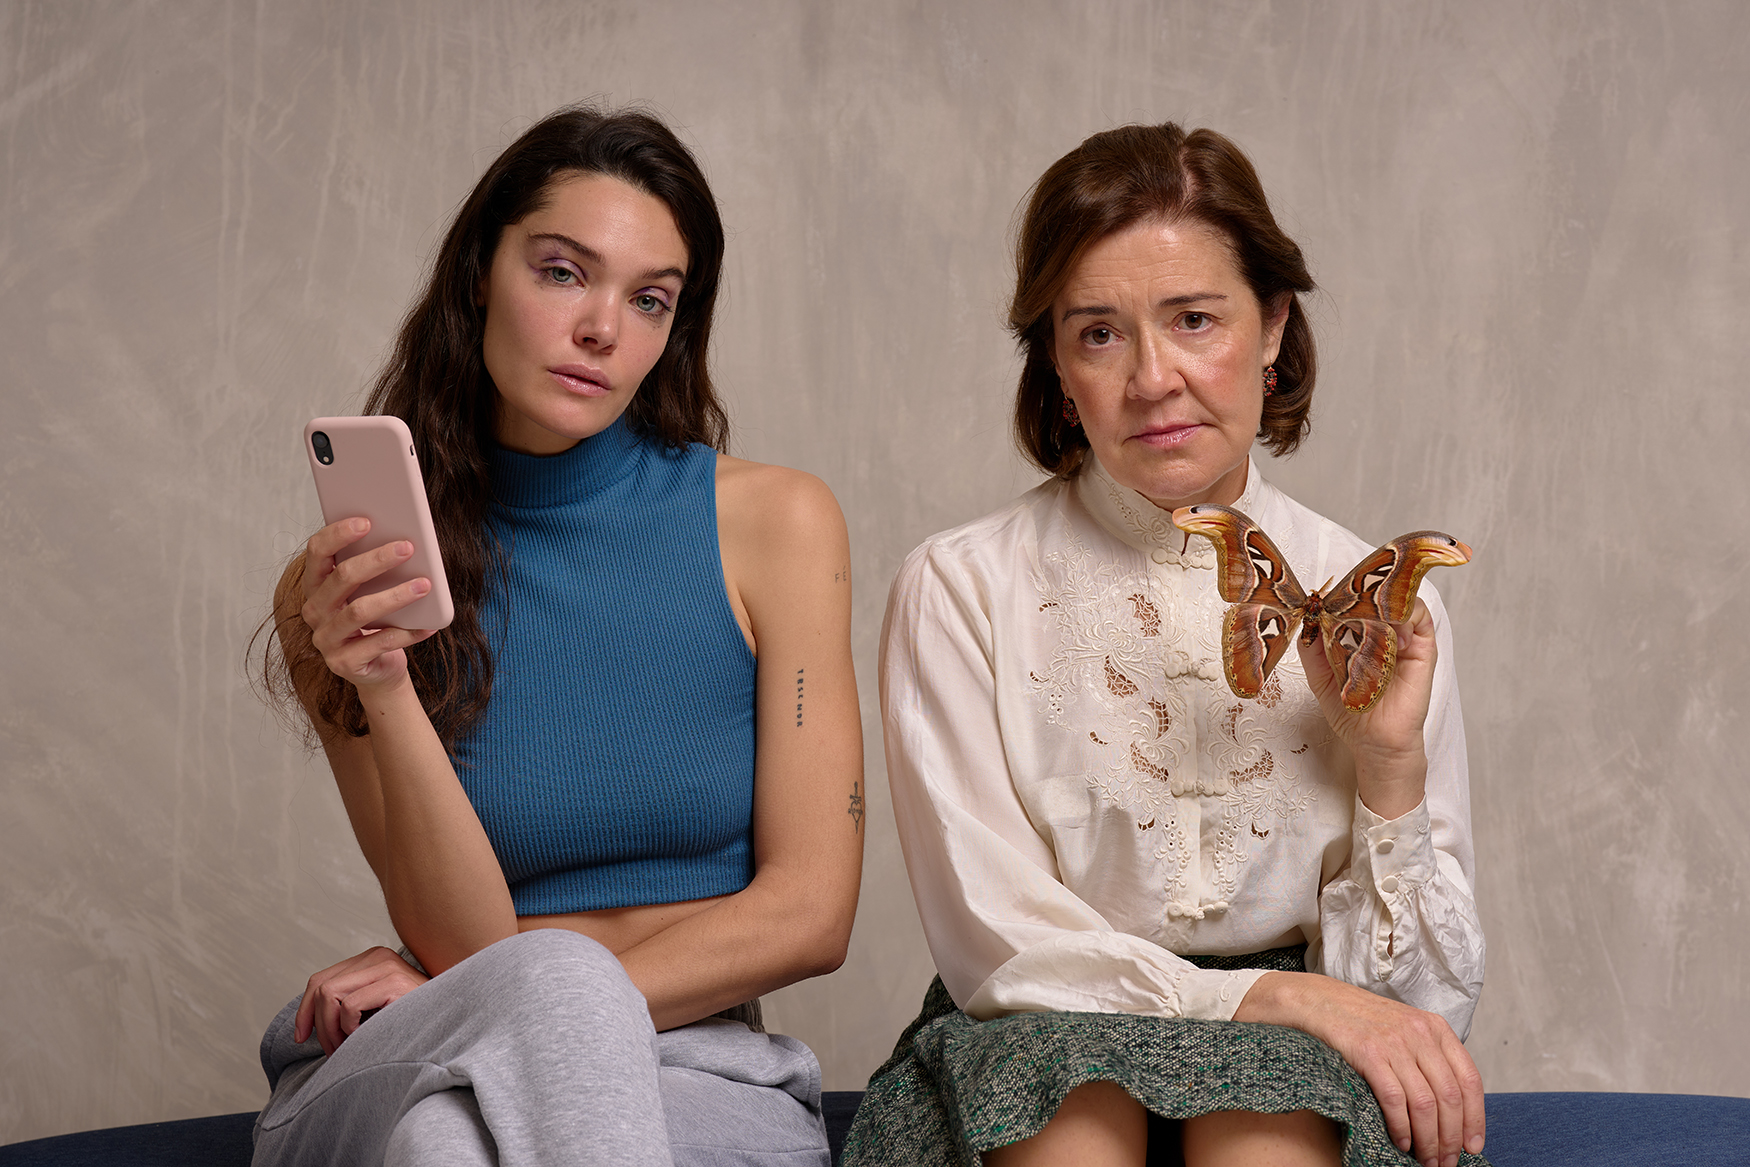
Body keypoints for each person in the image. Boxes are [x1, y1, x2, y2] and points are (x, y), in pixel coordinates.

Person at [847, 123, 1486, 1167]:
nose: (1152, 378)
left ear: (1273, 326)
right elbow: (996, 938)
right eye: (1099, 333)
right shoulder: (959, 587)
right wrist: (1266, 997)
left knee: (1266, 1130)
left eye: (1194, 319)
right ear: (1058, 365)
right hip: (1042, 1016)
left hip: (1308, 1037)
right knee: (1069, 1120)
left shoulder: (1375, 602)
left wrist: (1387, 766)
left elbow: (1418, 1011)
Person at [254, 105, 863, 1166]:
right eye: (563, 272)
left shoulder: (778, 525)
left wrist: (537, 982)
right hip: (421, 1044)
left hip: (693, 1063)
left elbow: (810, 913)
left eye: (649, 299)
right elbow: (463, 944)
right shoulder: (344, 593)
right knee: (444, 1111)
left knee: (445, 1147)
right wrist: (386, 684)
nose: (602, 329)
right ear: (478, 276)